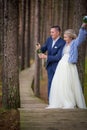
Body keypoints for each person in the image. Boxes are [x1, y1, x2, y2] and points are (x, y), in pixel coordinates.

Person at [46, 22, 87, 109]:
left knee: (68, 84)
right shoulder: (65, 44)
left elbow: (81, 38)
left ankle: (69, 102)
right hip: (61, 66)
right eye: (64, 37)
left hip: (69, 66)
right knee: (60, 83)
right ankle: (60, 101)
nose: (64, 39)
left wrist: (82, 27)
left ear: (70, 37)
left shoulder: (74, 43)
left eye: (65, 37)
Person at [36, 25, 65, 98]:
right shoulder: (49, 39)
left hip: (58, 67)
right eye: (50, 32)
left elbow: (58, 57)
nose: (51, 34)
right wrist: (39, 49)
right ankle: (50, 101)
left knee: (58, 85)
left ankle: (58, 101)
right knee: (50, 84)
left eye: (53, 32)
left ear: (58, 32)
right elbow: (43, 49)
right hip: (50, 67)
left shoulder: (62, 43)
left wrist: (46, 56)